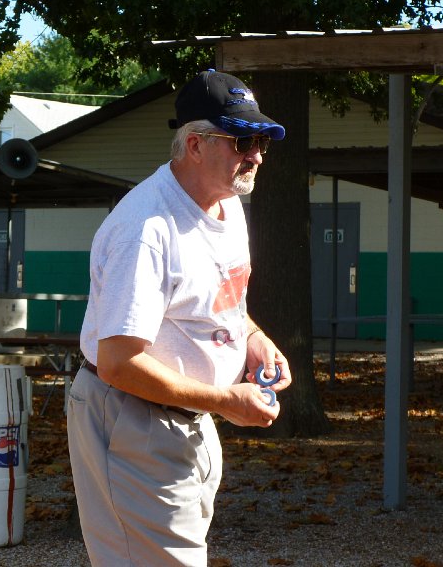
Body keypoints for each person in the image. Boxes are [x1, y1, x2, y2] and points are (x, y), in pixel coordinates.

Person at [67, 69, 292, 566]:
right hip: (133, 415)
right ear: (195, 144)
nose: (254, 155)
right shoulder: (145, 230)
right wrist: (225, 401)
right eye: (241, 140)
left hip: (184, 418)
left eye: (260, 141)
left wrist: (253, 338)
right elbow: (118, 363)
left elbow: (219, 301)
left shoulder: (225, 205)